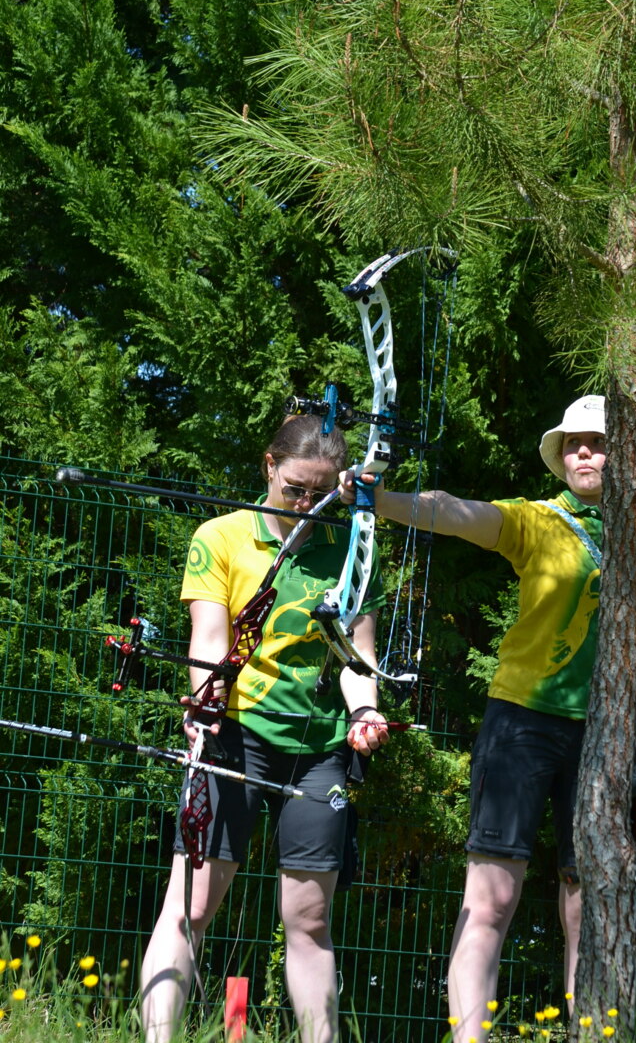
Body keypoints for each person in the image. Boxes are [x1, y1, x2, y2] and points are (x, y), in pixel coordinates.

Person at [339, 394, 636, 1042]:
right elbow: (454, 512)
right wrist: (381, 499)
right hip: (521, 724)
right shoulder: (536, 520)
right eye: (573, 444)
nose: (583, 452)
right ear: (560, 459)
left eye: (599, 442)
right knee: (491, 900)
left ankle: (590, 1034)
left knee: (587, 905)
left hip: (605, 734)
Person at [141, 415, 389, 1043]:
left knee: (309, 919)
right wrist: (208, 697)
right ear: (269, 466)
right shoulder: (220, 535)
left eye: (321, 493)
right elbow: (209, 639)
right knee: (191, 905)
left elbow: (357, 660)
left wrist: (364, 712)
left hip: (319, 749)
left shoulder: (354, 548)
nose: (307, 504)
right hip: (234, 735)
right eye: (295, 488)